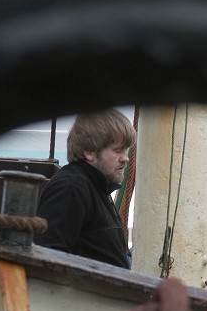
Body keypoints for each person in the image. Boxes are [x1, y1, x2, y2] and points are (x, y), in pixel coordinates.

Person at [35, 109, 135, 269]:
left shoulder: (95, 187)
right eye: (118, 151)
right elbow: (48, 259)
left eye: (126, 150)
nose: (126, 158)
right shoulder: (71, 188)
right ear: (89, 152)